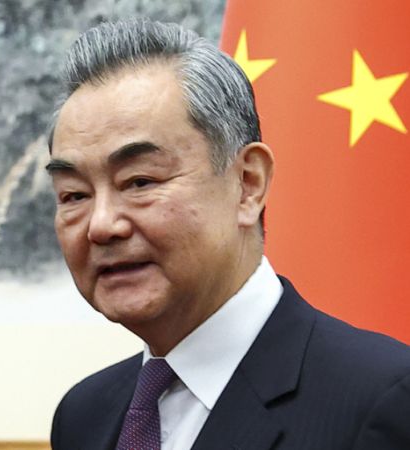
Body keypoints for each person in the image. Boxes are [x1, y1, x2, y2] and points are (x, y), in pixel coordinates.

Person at [47, 19, 410, 450]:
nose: (102, 225)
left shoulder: (384, 400)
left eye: (140, 181)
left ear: (247, 183)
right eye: (74, 195)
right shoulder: (84, 415)